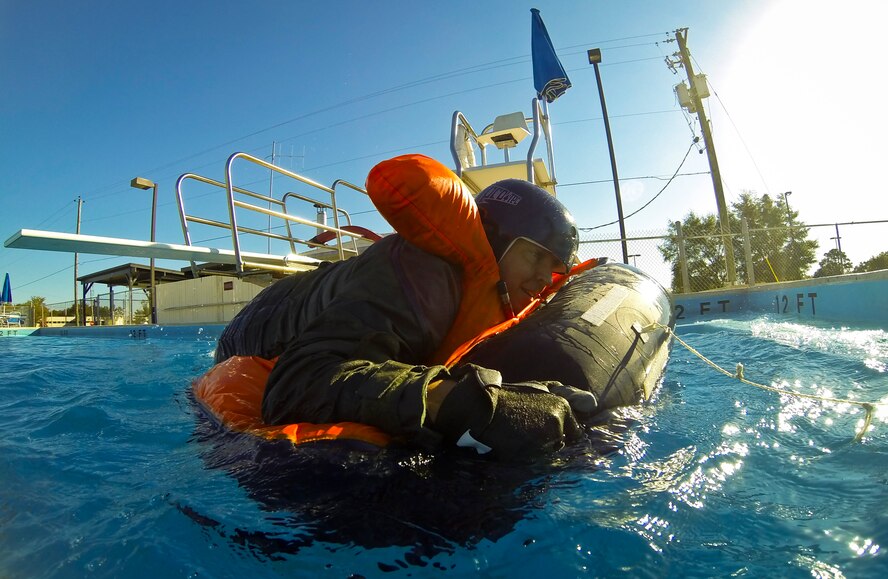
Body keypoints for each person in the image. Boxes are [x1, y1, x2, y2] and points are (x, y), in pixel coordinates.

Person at [214, 161, 596, 461]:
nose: (545, 278)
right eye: (535, 256)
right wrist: (463, 403)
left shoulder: (495, 292)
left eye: (556, 267)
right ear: (497, 242)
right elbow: (294, 385)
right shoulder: (424, 275)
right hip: (251, 332)